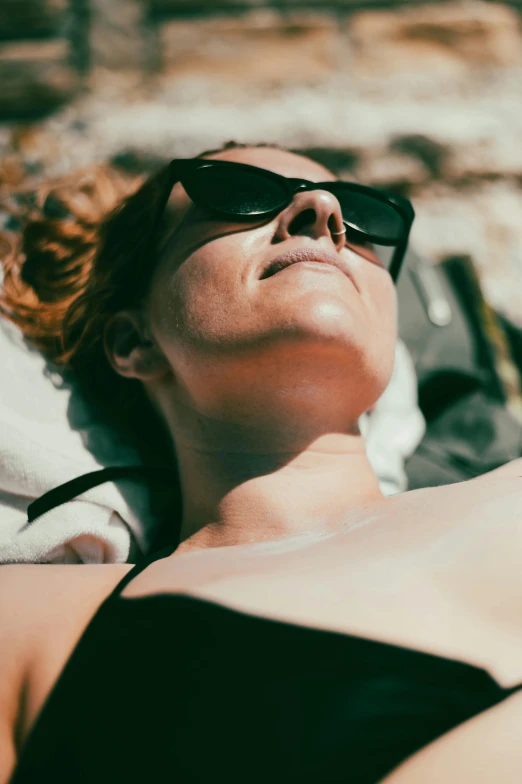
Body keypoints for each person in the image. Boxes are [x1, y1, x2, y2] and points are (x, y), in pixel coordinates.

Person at [1, 141, 522, 783]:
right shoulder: (32, 620)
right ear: (133, 341)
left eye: (363, 218)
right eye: (237, 193)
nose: (323, 208)